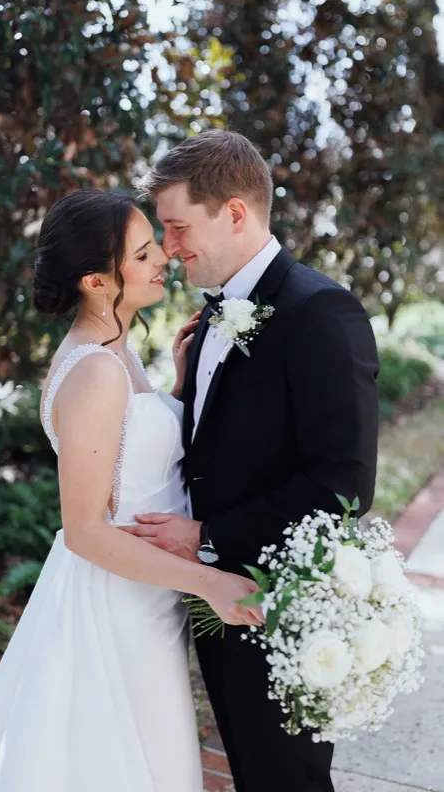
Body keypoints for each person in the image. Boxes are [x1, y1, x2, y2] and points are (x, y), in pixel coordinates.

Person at [0, 188, 264, 792]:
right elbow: (85, 530)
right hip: (114, 609)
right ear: (96, 281)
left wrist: (180, 390)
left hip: (146, 597)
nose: (162, 256)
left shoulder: (115, 354)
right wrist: (211, 582)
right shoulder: (93, 373)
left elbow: (134, 466)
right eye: (141, 254)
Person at [124, 129, 380, 792]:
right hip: (220, 603)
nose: (169, 246)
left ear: (234, 213)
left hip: (283, 608)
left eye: (178, 227)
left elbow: (342, 483)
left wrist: (208, 537)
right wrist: (186, 389)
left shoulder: (319, 311)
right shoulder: (213, 317)